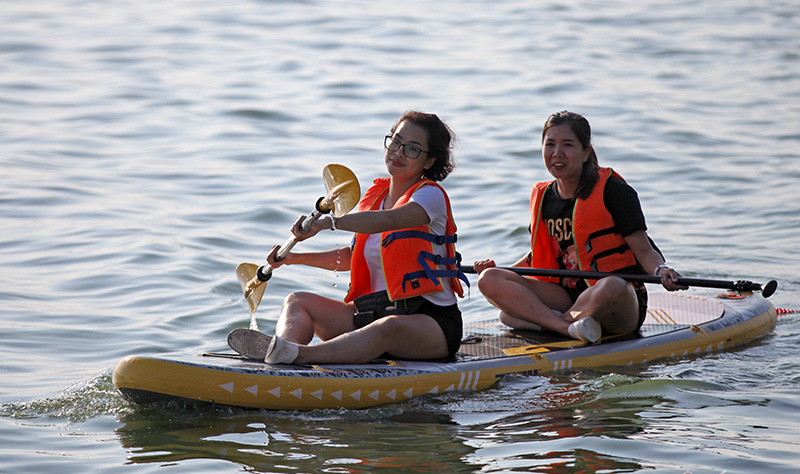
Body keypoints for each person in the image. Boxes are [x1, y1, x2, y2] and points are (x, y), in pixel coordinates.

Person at [230, 111, 468, 364]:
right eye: (396, 142)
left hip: (429, 324)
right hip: (369, 315)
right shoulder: (375, 196)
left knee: (388, 327)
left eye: (412, 149)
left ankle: (296, 355)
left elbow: (388, 221)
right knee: (298, 301)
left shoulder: (429, 197)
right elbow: (353, 257)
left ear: (429, 161)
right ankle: (281, 360)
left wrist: (328, 223)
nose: (398, 152)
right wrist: (293, 258)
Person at [473, 110, 686, 343]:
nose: (557, 153)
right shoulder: (544, 197)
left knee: (612, 285)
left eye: (568, 145)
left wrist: (661, 271)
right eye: (550, 144)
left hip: (617, 301)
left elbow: (644, 251)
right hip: (567, 296)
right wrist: (502, 271)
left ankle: (547, 322)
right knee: (489, 279)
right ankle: (567, 327)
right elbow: (540, 256)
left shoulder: (614, 191)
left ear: (586, 152)